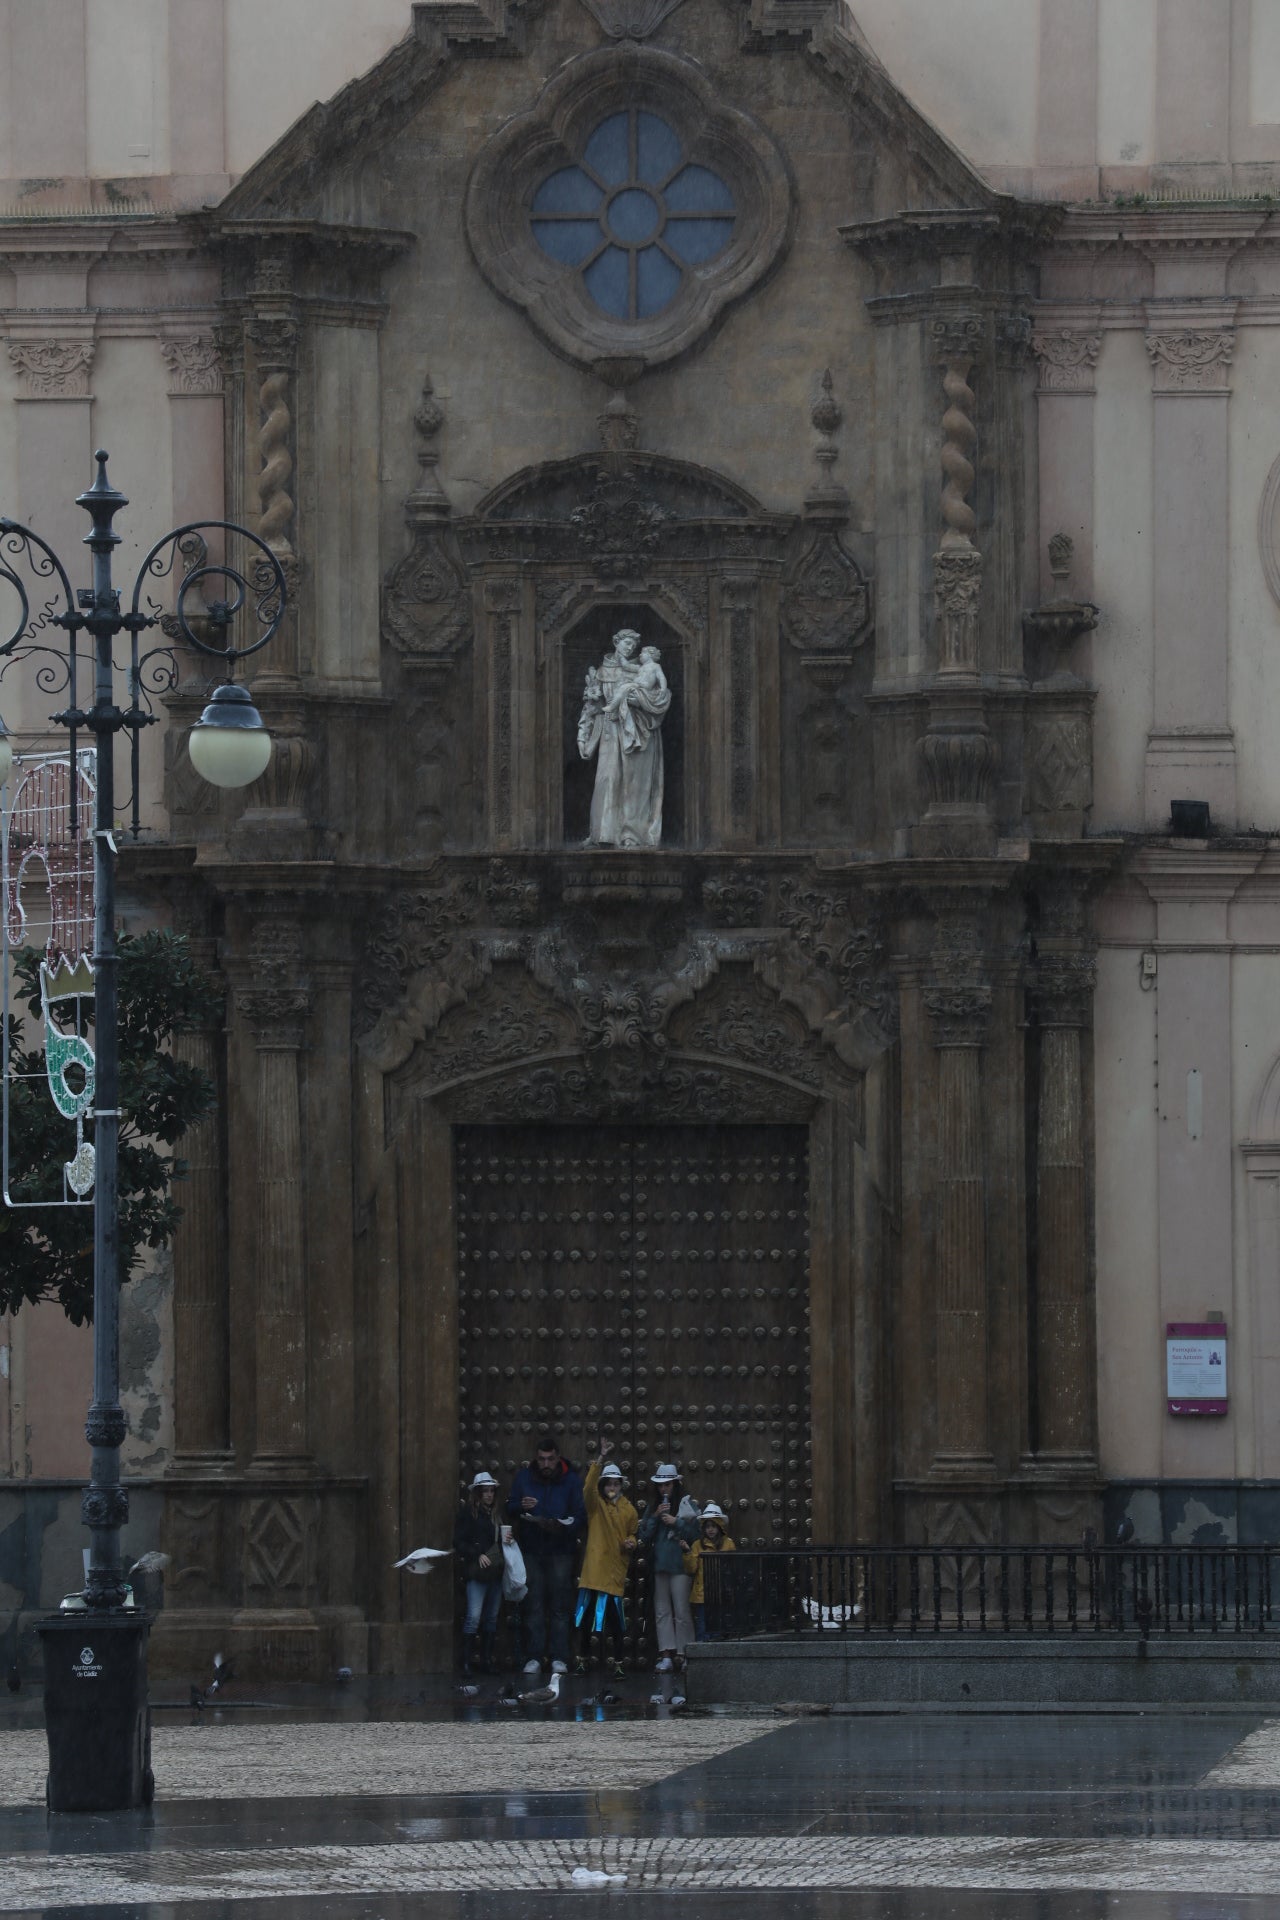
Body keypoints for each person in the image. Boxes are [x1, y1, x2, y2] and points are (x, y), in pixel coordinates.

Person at [577, 627, 672, 848]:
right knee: (607, 780)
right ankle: (604, 833)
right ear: (616, 642)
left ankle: (633, 834)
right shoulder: (602, 672)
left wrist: (637, 701)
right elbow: (591, 706)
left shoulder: (644, 670)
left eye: (633, 645)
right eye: (626, 642)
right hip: (610, 731)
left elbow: (661, 697)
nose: (630, 647)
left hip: (640, 732)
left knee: (635, 784)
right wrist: (583, 735)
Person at [507, 1434, 586, 1676]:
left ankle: (559, 1657)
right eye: (542, 1459)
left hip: (561, 1551)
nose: (546, 1464)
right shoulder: (524, 1478)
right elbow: (510, 1507)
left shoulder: (571, 1481)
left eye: (550, 1459)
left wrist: (563, 1526)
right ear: (536, 1459)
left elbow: (580, 1515)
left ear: (557, 1457)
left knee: (560, 1606)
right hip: (532, 1550)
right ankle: (534, 1657)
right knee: (534, 1605)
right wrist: (522, 1506)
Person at [575, 1438, 639, 1676]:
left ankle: (619, 1664)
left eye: (616, 1483)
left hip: (613, 1573)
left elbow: (633, 1532)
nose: (612, 1487)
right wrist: (600, 1458)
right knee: (585, 1620)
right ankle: (582, 1659)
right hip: (594, 1573)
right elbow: (588, 1488)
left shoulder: (629, 1509)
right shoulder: (596, 1506)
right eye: (608, 1483)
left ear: (621, 1485)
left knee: (616, 1623)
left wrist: (632, 1541)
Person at [638, 1462, 700, 1673]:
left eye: (667, 1485)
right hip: (660, 1565)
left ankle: (684, 1653)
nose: (663, 1489)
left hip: (680, 1566)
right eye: (660, 1485)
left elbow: (696, 1534)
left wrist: (677, 1522)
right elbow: (644, 1535)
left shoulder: (687, 1504)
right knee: (662, 1611)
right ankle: (666, 1653)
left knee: (682, 1611)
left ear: (675, 1484)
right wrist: (655, 1516)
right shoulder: (653, 1506)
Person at [453, 1470, 504, 1674]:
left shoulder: (497, 1515)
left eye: (491, 1491)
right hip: (477, 1573)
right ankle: (466, 1663)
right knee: (474, 1616)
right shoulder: (468, 1513)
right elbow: (458, 1541)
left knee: (491, 1617)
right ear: (478, 1493)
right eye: (485, 1491)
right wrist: (477, 1554)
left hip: (496, 1572)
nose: (489, 1495)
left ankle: (486, 1661)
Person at [685, 1502, 736, 1642]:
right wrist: (688, 1552)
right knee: (703, 1625)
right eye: (708, 1526)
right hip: (703, 1593)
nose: (711, 1530)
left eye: (713, 1526)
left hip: (721, 1592)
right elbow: (691, 1569)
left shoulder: (728, 1544)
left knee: (719, 1625)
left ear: (719, 1527)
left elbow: (733, 1568)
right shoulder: (697, 1545)